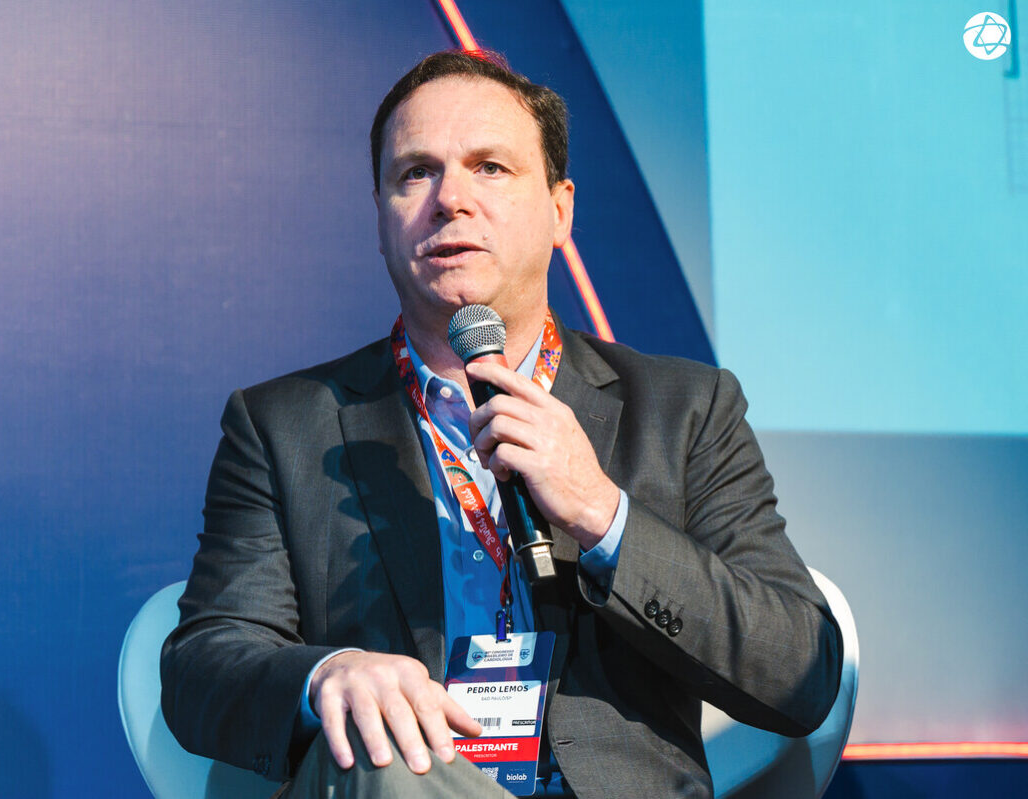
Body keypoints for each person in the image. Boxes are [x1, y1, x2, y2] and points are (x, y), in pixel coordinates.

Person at [160, 50, 842, 799]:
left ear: (560, 210)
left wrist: (603, 514)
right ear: (381, 218)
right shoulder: (284, 424)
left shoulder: (683, 408)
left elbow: (801, 672)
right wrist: (328, 672)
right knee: (386, 761)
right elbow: (204, 666)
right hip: (407, 784)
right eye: (415, 173)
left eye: (489, 167)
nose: (450, 199)